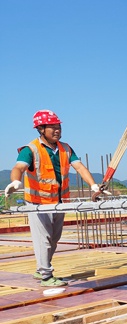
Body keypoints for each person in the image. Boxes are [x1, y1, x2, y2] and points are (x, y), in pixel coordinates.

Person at [4, 110, 109, 287]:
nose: (57, 130)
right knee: (43, 239)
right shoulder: (30, 150)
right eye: (52, 127)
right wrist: (15, 181)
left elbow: (80, 168)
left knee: (54, 238)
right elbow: (19, 167)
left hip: (59, 203)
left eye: (58, 127)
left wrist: (93, 185)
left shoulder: (66, 148)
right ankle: (46, 275)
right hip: (37, 204)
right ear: (40, 129)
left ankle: (40, 269)